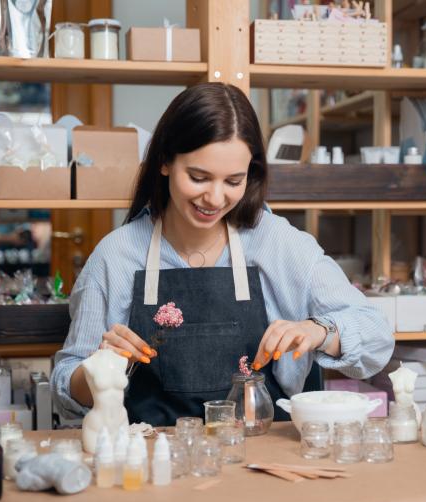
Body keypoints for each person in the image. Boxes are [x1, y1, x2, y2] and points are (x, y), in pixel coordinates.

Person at [50, 82, 395, 426]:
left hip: (264, 455)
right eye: (199, 177)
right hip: (155, 460)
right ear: (165, 162)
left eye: (233, 181)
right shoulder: (116, 256)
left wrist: (321, 331)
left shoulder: (279, 243)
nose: (215, 199)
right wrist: (98, 369)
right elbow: (67, 395)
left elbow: (377, 338)